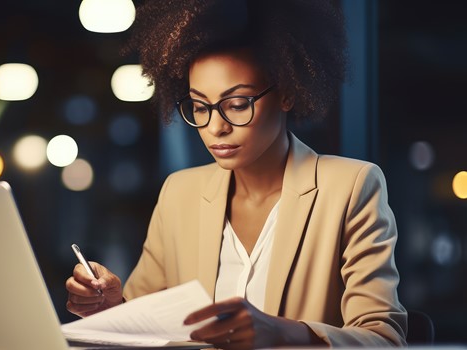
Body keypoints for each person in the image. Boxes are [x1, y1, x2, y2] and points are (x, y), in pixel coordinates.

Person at [65, 0, 408, 348]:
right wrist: (111, 307)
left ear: (287, 93)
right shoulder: (180, 193)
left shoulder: (351, 187)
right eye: (200, 107)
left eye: (237, 104)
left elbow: (384, 339)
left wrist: (281, 333)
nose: (216, 127)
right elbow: (146, 322)